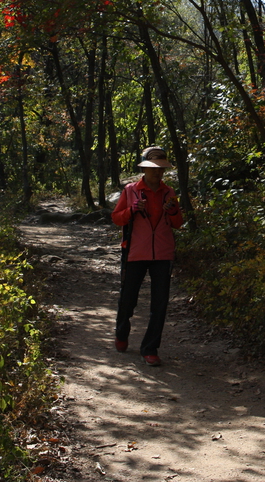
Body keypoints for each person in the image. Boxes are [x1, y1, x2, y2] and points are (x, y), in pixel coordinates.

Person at [111, 145, 183, 366]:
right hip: (135, 252)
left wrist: (172, 212)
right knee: (128, 299)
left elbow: (178, 223)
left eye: (161, 168)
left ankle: (150, 348)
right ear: (144, 168)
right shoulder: (131, 190)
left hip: (162, 253)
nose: (158, 172)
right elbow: (117, 218)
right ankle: (122, 334)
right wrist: (132, 209)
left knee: (160, 303)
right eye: (153, 168)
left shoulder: (169, 192)